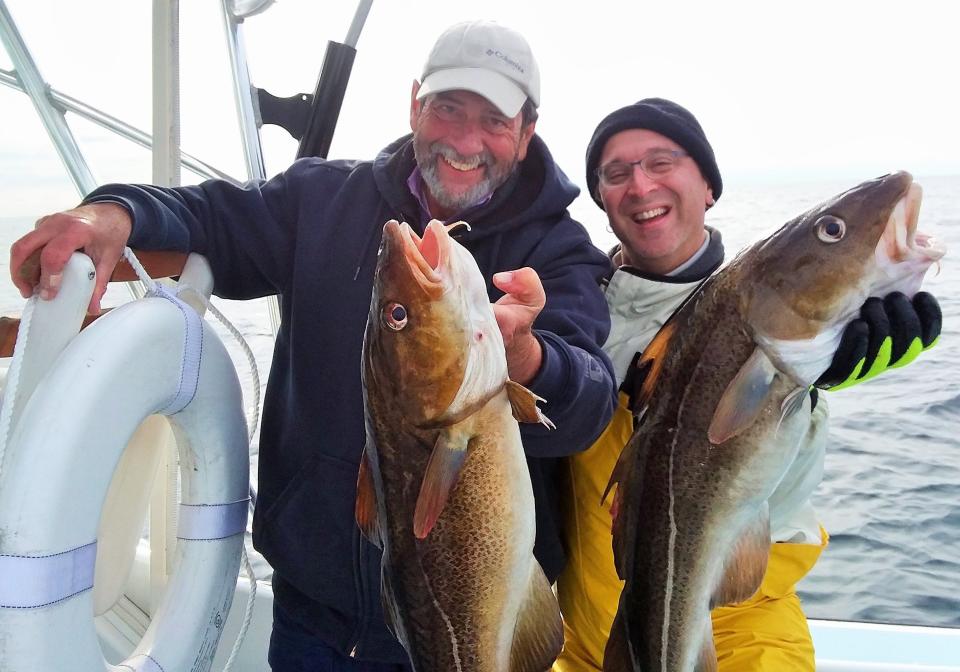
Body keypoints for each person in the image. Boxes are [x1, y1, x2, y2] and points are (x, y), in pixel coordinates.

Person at [9, 21, 618, 671]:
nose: (465, 140)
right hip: (312, 616)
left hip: (472, 616)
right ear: (415, 103)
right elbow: (213, 217)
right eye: (447, 108)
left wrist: (526, 359)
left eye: (494, 119)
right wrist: (113, 215)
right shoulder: (321, 199)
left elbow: (587, 404)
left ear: (527, 130)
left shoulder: (559, 252)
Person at [553, 98, 942, 671]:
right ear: (604, 202)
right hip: (587, 641)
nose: (640, 185)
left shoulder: (765, 312)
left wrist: (812, 377)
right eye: (616, 173)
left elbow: (777, 477)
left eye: (662, 162)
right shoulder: (576, 312)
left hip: (748, 623)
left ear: (708, 184)